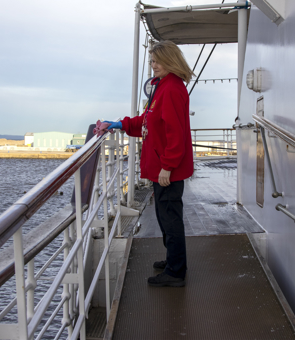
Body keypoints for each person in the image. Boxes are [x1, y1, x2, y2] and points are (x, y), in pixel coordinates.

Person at [105, 40, 194, 287]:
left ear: (169, 61)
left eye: (156, 61)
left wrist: (168, 165)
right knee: (164, 216)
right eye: (152, 61)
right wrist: (122, 124)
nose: (152, 66)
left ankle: (176, 273)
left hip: (167, 170)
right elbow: (148, 121)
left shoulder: (173, 89)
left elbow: (175, 133)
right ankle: (173, 260)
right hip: (160, 167)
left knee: (170, 217)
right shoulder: (162, 87)